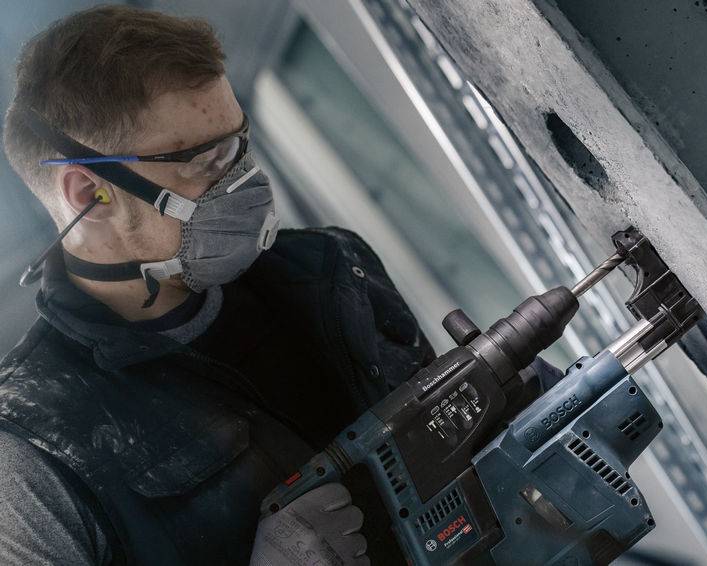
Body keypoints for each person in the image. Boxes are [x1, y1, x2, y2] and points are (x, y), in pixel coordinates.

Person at [0, 5, 562, 565]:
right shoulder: (33, 450)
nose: (245, 179)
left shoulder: (331, 268)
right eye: (207, 159)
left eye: (239, 142)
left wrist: (509, 425)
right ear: (88, 195)